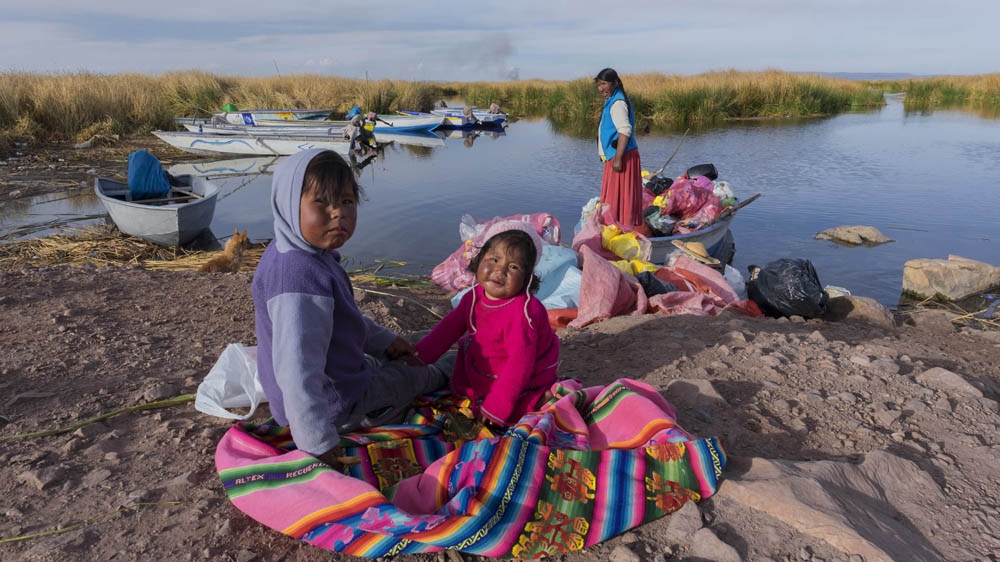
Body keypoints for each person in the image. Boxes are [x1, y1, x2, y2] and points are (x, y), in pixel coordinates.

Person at [252, 149, 450, 470]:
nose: (338, 214)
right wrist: (318, 444)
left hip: (340, 373)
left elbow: (343, 318)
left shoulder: (301, 250)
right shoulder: (297, 280)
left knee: (419, 340)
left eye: (346, 202)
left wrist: (386, 341)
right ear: (289, 203)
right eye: (322, 202)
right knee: (415, 374)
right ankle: (449, 369)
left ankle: (417, 356)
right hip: (337, 405)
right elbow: (297, 373)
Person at [415, 223, 560, 427]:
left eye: (513, 266)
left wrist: (496, 407)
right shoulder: (474, 297)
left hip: (524, 374)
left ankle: (538, 397)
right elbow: (446, 332)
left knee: (514, 409)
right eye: (494, 259)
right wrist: (418, 356)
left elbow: (519, 365)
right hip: (490, 361)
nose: (500, 271)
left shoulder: (524, 314)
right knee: (465, 365)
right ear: (479, 258)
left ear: (527, 276)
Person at [595, 67, 644, 232]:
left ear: (615, 83)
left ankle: (620, 230)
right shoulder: (613, 100)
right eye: (598, 84)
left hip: (622, 156)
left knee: (619, 198)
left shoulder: (618, 103)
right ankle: (616, 229)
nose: (600, 88)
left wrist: (618, 159)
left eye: (604, 84)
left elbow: (625, 130)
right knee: (617, 197)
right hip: (617, 155)